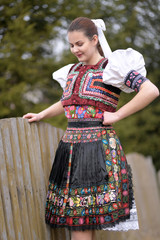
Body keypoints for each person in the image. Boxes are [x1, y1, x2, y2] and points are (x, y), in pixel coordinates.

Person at [23, 17, 159, 240]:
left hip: (98, 149)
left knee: (82, 223)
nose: (74, 49)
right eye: (71, 45)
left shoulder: (113, 68)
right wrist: (42, 114)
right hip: (70, 150)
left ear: (94, 39)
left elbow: (150, 90)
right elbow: (68, 101)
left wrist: (117, 114)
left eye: (79, 44)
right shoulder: (71, 71)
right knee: (79, 222)